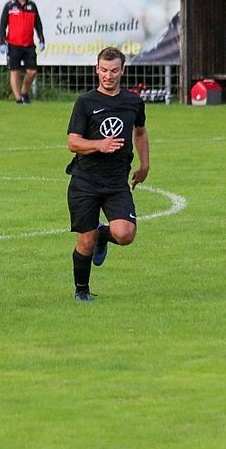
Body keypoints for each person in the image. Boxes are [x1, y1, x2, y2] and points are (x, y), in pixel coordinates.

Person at [66, 47, 150, 302]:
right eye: (103, 70)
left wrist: (145, 165)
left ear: (122, 71)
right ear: (97, 69)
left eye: (113, 71)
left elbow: (140, 132)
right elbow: (73, 142)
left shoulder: (133, 102)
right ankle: (82, 291)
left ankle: (105, 234)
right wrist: (98, 145)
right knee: (85, 242)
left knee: (125, 234)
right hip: (85, 181)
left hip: (116, 182)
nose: (108, 75)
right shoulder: (85, 102)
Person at [0, 0, 45, 104]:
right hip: (13, 44)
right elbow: (3, 24)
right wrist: (2, 42)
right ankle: (18, 99)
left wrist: (41, 39)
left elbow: (38, 24)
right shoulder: (9, 6)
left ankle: (24, 91)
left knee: (32, 71)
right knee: (15, 72)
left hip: (28, 44)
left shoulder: (32, 6)